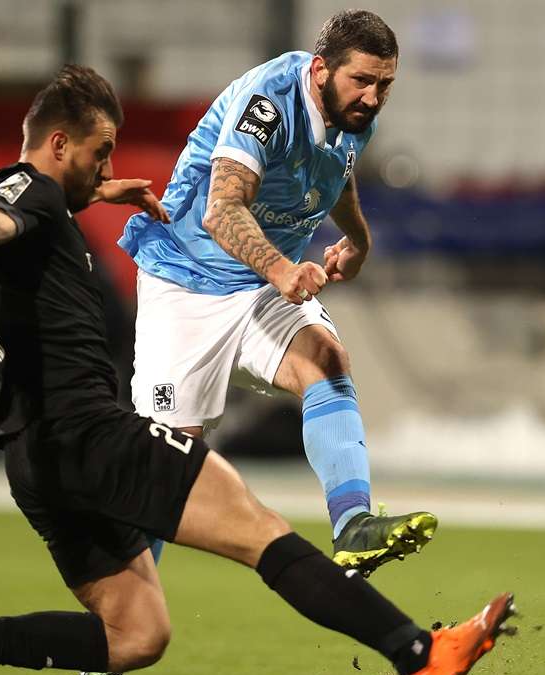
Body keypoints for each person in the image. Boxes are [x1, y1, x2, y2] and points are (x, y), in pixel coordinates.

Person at [0, 64, 514, 675]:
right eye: (100, 153)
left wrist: (98, 194)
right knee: (263, 534)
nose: (109, 169)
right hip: (91, 435)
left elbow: (9, 215)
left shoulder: (20, 195)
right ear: (59, 143)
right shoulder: (21, 198)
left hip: (34, 461)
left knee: (136, 635)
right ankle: (424, 656)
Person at [119, 9, 433, 578]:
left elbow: (333, 168)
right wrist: (284, 270)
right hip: (186, 284)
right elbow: (221, 210)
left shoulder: (355, 115)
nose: (373, 96)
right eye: (362, 80)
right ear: (319, 71)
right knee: (162, 470)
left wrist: (357, 239)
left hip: (261, 286)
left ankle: (354, 526)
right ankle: (109, 651)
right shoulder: (265, 105)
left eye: (385, 83)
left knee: (327, 360)